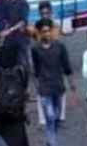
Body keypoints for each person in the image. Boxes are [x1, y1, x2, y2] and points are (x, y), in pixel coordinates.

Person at [31, 18, 75, 146]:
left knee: (55, 117)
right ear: (39, 33)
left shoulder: (60, 47)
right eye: (44, 32)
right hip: (44, 88)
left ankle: (51, 140)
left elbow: (66, 65)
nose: (47, 34)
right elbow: (35, 68)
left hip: (58, 86)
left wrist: (71, 83)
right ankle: (53, 142)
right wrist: (37, 85)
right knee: (49, 116)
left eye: (48, 31)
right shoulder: (35, 49)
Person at [0, 44, 29, 146]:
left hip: (2, 112)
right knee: (20, 133)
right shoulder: (21, 71)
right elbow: (24, 87)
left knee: (2, 134)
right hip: (18, 111)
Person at [30, 1, 64, 130]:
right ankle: (43, 120)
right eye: (42, 13)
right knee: (41, 93)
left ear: (51, 12)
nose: (45, 15)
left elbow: (54, 41)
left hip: (55, 63)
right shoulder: (37, 27)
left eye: (47, 13)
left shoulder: (55, 27)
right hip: (42, 66)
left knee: (60, 92)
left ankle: (59, 118)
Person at [0, 0, 31, 77]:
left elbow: (23, 21)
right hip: (9, 38)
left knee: (24, 63)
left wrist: (10, 30)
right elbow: (2, 18)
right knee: (7, 63)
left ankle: (26, 87)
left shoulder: (23, 2)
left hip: (20, 37)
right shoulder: (6, 2)